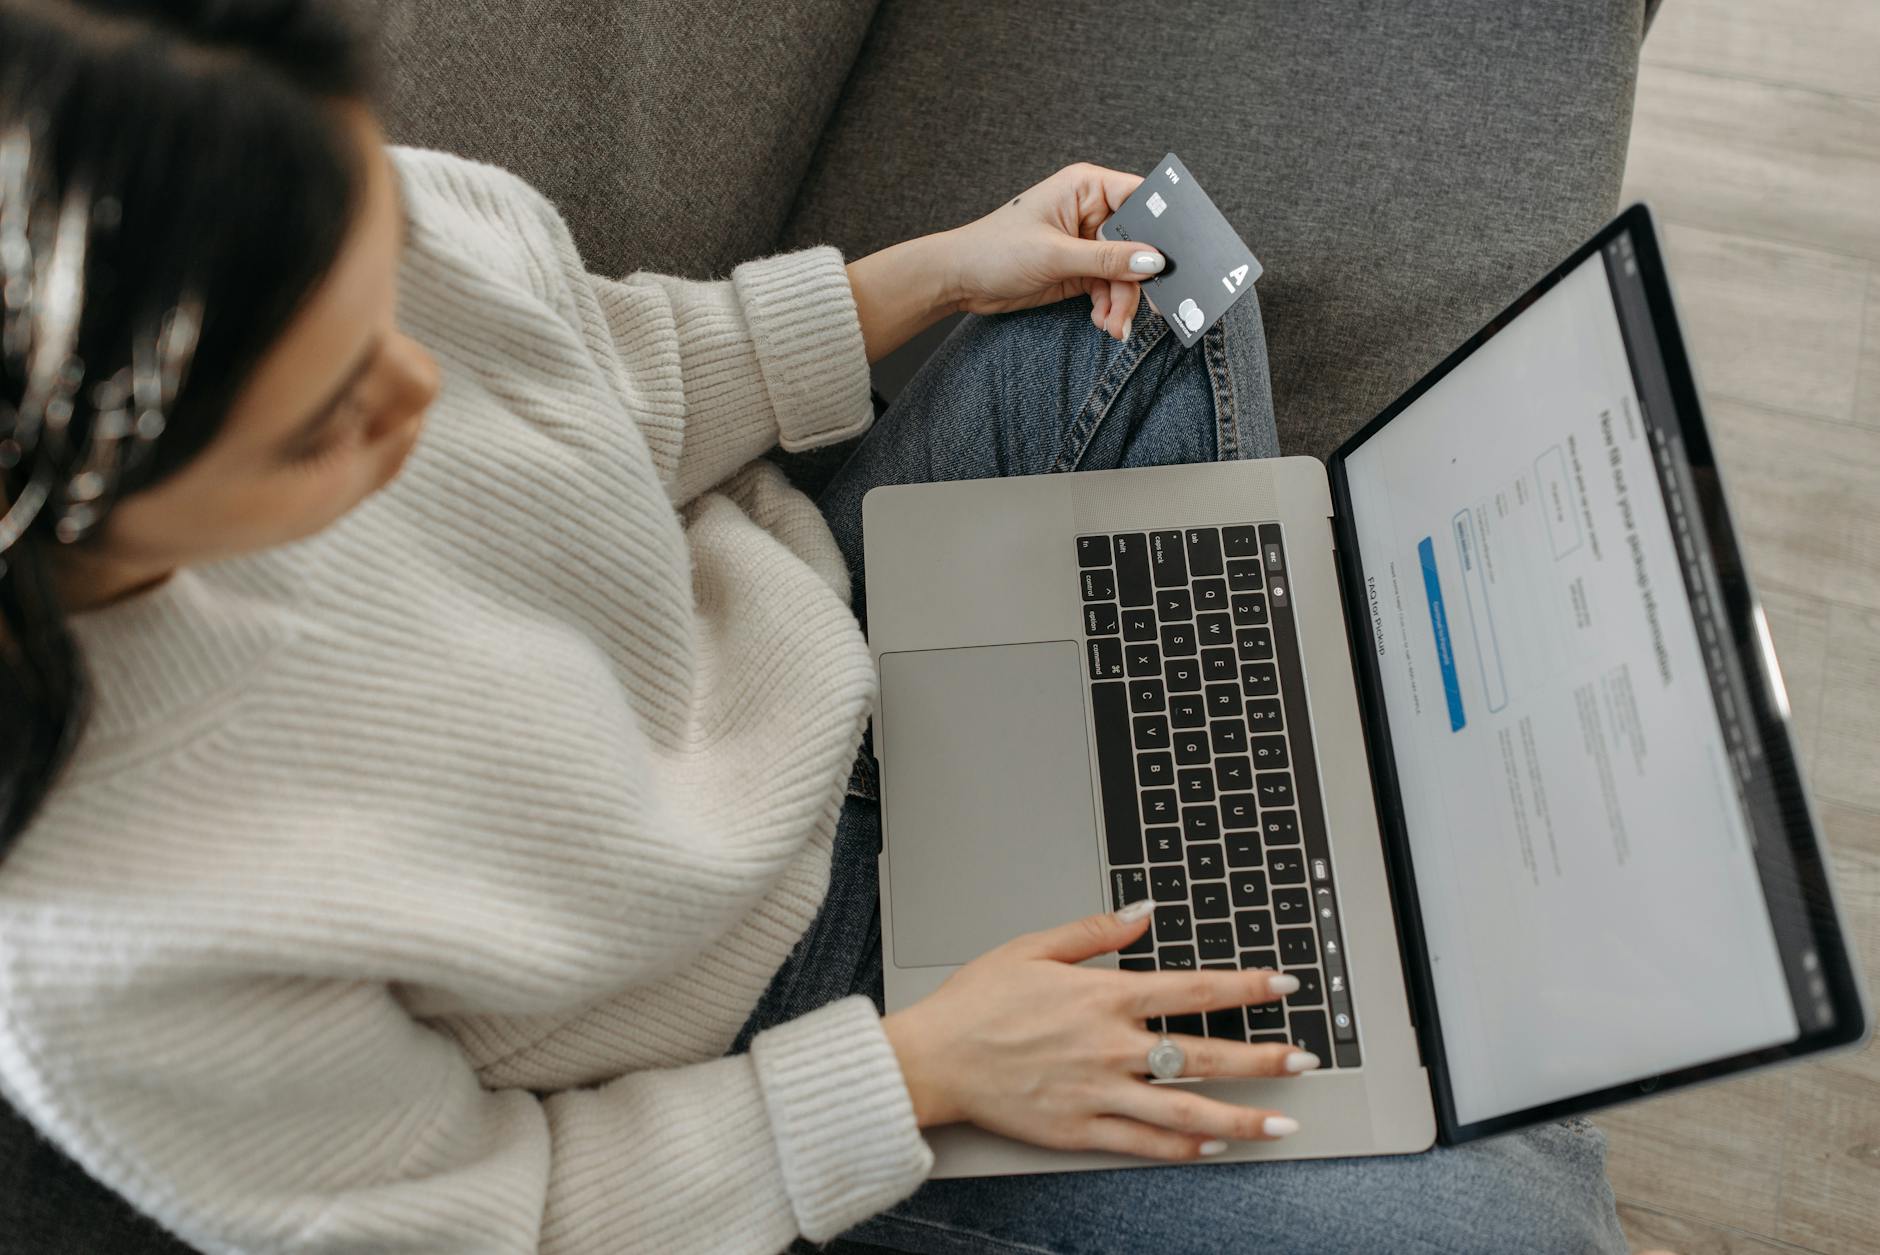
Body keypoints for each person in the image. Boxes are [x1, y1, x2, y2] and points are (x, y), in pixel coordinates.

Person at [0, 3, 1640, 1252]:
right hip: (797, 1017)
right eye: (324, 423)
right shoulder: (102, 959)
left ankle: (1246, 872)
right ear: (67, 503)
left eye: (394, 280)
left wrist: (946, 271)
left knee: (1152, 265)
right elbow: (515, 1220)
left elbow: (621, 375)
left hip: (839, 621)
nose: (420, 393)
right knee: (1494, 1222)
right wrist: (924, 1072)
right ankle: (1259, 913)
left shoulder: (285, 190)